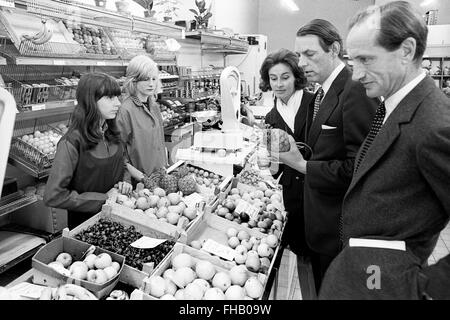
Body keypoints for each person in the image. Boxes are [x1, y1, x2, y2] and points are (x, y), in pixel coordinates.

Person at [318, 1, 450, 300]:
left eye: (366, 59)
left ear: (406, 50)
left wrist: (423, 290)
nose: (356, 74)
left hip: (388, 282)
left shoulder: (435, 123)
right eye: (353, 61)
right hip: (364, 275)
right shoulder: (392, 104)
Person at [276, 19, 378, 293]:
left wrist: (301, 164)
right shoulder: (322, 91)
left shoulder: (355, 90)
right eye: (299, 55)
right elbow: (323, 147)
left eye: (310, 54)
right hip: (320, 223)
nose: (302, 63)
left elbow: (359, 169)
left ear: (334, 49)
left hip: (338, 229)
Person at [44, 73, 134, 229]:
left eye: (117, 97)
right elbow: (54, 196)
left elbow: (122, 164)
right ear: (90, 101)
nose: (118, 103)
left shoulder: (112, 133)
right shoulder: (71, 143)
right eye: (110, 98)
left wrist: (125, 182)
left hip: (120, 220)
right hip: (88, 228)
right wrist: (103, 198)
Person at [259, 48, 314, 261]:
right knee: (301, 253)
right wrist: (267, 164)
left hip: (318, 190)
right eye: (273, 78)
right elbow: (276, 168)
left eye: (285, 77)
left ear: (296, 77)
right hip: (293, 197)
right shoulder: (271, 117)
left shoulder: (315, 104)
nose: (279, 84)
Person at [116, 55, 167, 183]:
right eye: (145, 79)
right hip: (139, 183)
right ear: (133, 81)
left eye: (154, 79)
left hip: (159, 177)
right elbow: (117, 154)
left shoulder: (154, 106)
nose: (151, 84)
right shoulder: (125, 110)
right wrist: (140, 177)